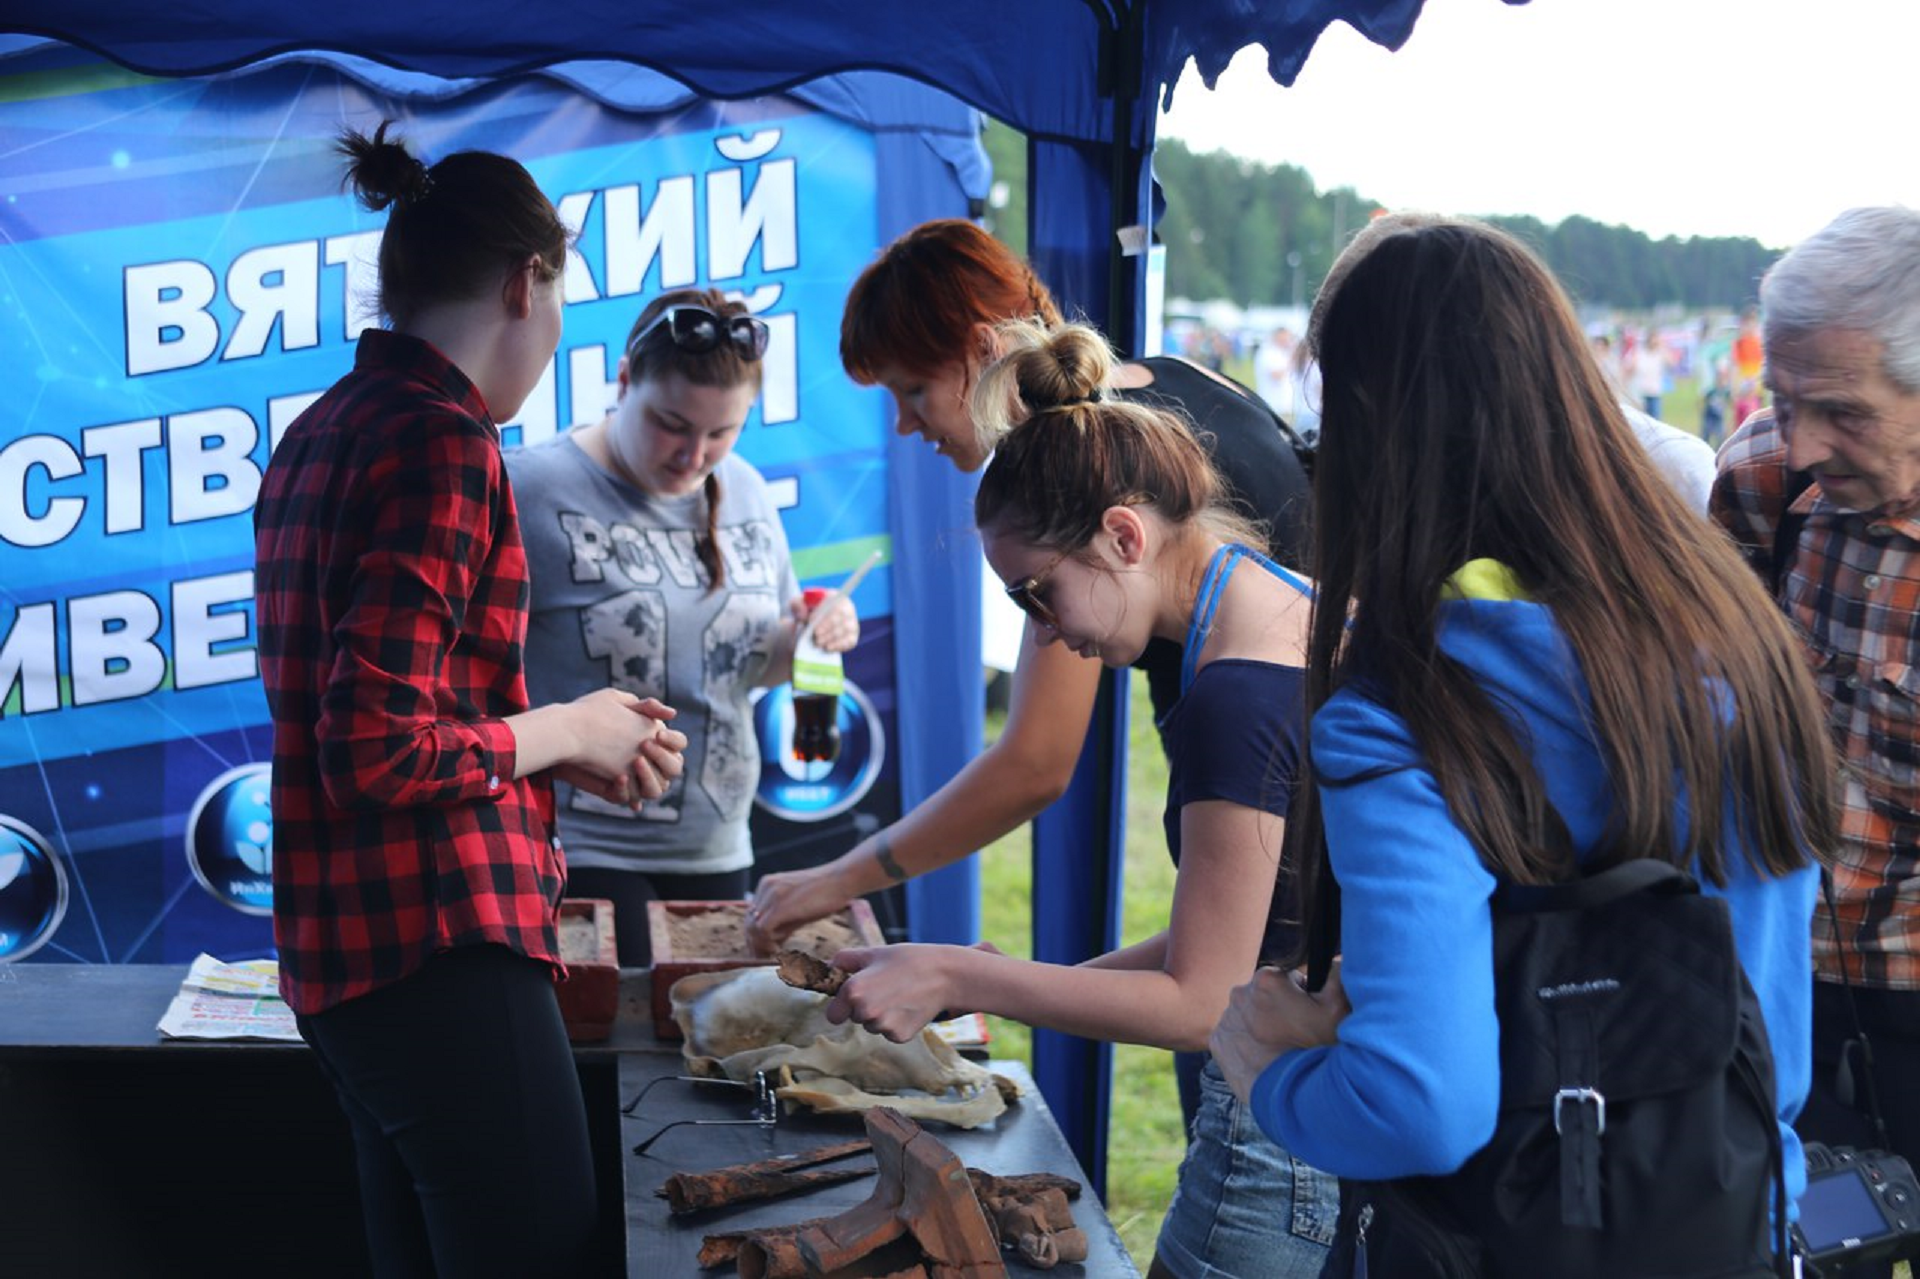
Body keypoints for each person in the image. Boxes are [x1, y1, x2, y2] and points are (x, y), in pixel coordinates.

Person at [1207, 216, 1833, 1254]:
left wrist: (1275, 1073)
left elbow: (1422, 1104)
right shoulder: (1742, 649)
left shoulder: (1411, 708)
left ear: (1375, 434)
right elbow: (1771, 1046)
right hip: (1735, 1220)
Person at [744, 216, 1313, 1127]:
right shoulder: (1168, 400)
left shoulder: (1076, 499)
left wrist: (851, 884)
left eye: (911, 389)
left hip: (1289, 1035)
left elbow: (1036, 762)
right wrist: (999, 982)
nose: (906, 425)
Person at [253, 122, 687, 1277]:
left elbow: (375, 708)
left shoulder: (319, 434)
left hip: (346, 956)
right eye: (558, 299)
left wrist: (547, 753)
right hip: (433, 945)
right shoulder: (444, 445)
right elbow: (375, 749)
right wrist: (567, 726)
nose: (555, 335)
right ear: (522, 281)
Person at [824, 320, 1334, 1279]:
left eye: (1038, 594)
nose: (1047, 634)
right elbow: (1252, 939)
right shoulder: (1282, 600)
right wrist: (997, 978)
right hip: (1326, 1112)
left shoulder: (1233, 692)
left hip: (1275, 1142)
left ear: (1124, 535)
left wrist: (969, 978)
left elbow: (1199, 1000)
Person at [506, 288, 858, 967]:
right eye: (671, 423)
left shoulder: (747, 489)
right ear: (624, 380)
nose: (694, 455)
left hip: (717, 844)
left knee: (705, 1055)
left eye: (721, 432)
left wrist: (813, 635)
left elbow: (755, 665)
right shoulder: (530, 487)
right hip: (576, 847)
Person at [1713, 205, 1920, 1242]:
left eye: (1840, 410)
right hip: (1772, 979)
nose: (1801, 442)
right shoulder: (1762, 479)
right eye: (1784, 401)